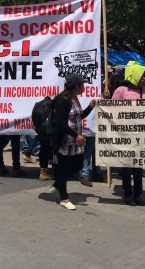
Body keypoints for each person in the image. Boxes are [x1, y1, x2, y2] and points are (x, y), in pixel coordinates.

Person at [112, 64, 145, 205]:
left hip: (142, 133)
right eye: (141, 76)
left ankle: (138, 194)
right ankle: (128, 194)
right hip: (125, 133)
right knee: (127, 166)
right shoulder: (121, 90)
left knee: (139, 165)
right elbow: (112, 110)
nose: (144, 79)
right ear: (133, 75)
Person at [48, 74, 96, 210]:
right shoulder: (63, 100)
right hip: (64, 140)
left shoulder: (74, 98)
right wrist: (76, 135)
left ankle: (58, 184)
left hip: (74, 141)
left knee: (77, 166)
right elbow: (60, 123)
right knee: (63, 169)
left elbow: (78, 117)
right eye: (82, 85)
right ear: (76, 86)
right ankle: (64, 198)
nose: (84, 87)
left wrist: (90, 108)